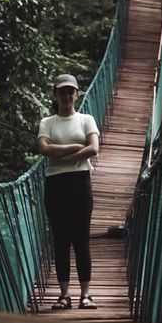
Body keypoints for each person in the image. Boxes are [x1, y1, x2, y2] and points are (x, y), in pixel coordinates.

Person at [36, 73, 100, 310]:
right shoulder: (47, 122)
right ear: (55, 95)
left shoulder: (86, 119)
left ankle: (86, 294)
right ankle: (64, 295)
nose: (66, 96)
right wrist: (75, 148)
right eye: (62, 91)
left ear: (76, 94)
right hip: (56, 185)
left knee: (81, 240)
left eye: (70, 91)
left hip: (80, 183)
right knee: (60, 241)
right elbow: (44, 149)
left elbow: (94, 148)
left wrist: (61, 154)